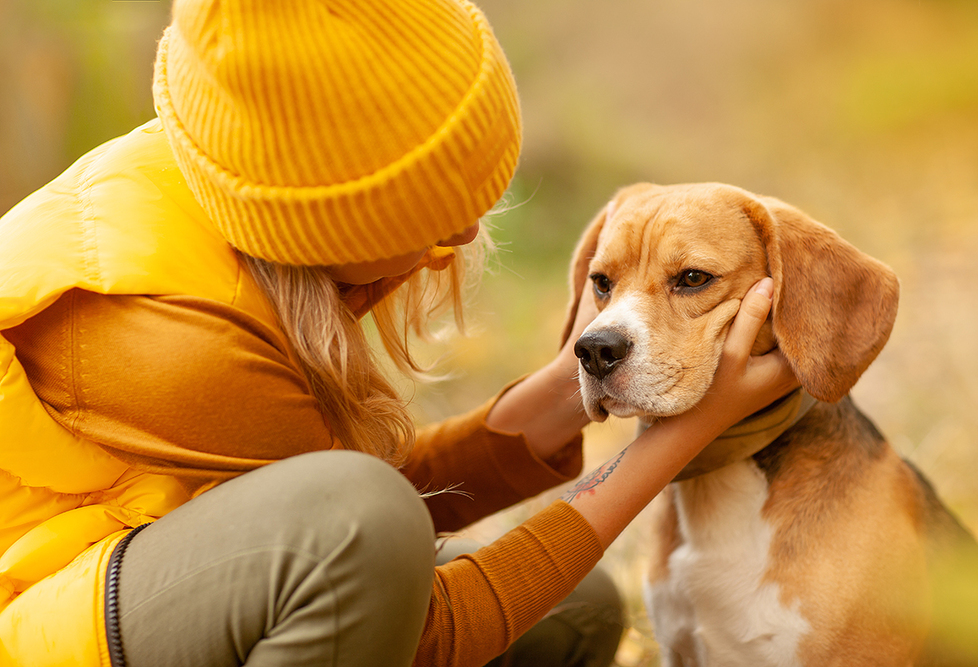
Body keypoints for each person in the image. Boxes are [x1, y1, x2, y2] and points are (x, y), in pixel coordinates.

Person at [0, 0, 798, 665]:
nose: (463, 233)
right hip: (36, 623)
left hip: (144, 575)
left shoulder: (224, 191)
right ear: (328, 214)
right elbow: (364, 545)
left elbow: (315, 502)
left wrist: (568, 389)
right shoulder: (177, 338)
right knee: (371, 523)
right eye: (432, 214)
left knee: (575, 611)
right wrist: (671, 442)